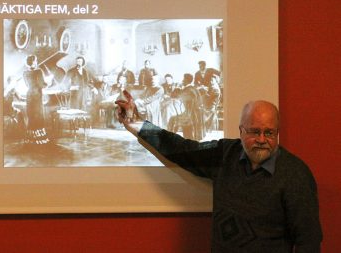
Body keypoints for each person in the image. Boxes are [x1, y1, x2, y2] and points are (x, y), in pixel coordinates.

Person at [115, 92, 322, 252]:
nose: (261, 139)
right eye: (254, 131)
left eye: (269, 133)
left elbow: (309, 241)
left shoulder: (296, 174)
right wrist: (136, 124)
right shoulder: (225, 155)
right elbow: (181, 148)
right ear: (241, 131)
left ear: (277, 132)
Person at [23, 55, 52, 144]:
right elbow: (42, 84)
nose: (37, 62)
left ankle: (31, 138)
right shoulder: (39, 71)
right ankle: (39, 139)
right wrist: (49, 83)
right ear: (33, 62)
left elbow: (27, 85)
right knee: (38, 115)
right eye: (36, 60)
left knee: (31, 115)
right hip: (36, 95)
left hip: (29, 94)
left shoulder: (25, 73)